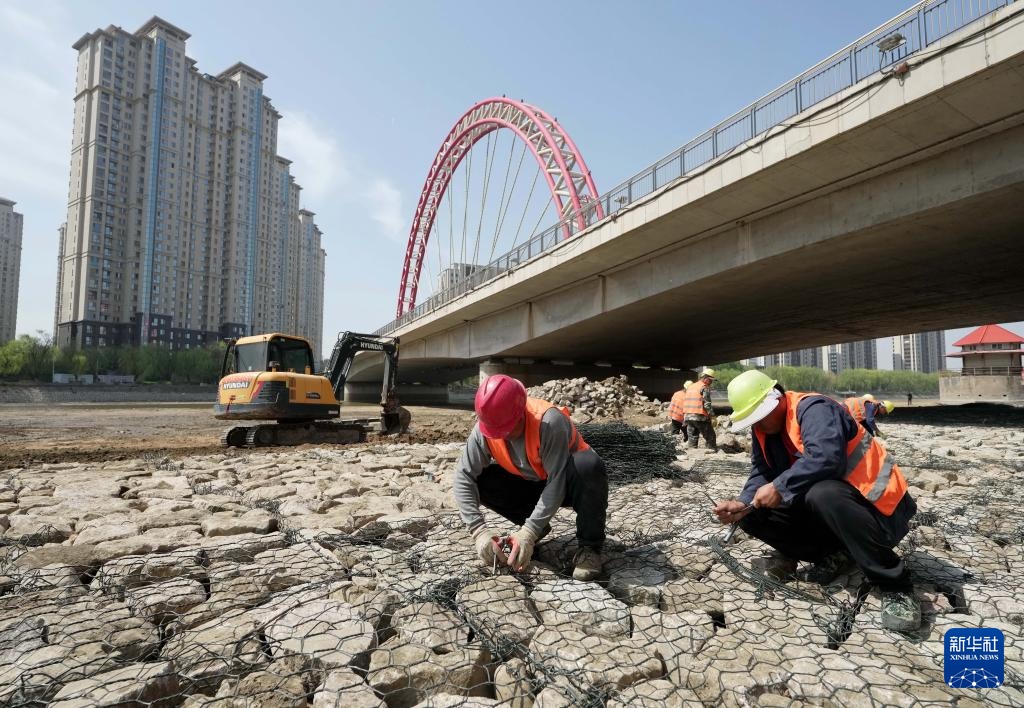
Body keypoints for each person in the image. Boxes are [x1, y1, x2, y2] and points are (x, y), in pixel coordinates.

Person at [713, 370, 920, 631]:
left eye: (760, 418)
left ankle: (895, 585)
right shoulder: (763, 429)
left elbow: (827, 458)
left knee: (822, 492)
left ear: (776, 400)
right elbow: (762, 471)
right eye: (753, 421)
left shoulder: (814, 409)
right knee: (753, 514)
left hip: (879, 511)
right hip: (836, 517)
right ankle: (835, 554)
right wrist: (743, 503)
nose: (758, 425)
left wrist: (780, 486)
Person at [453, 374, 608, 581]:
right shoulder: (486, 428)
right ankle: (538, 526)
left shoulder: (549, 422)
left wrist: (528, 532)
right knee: (481, 479)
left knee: (588, 466)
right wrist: (478, 531)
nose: (502, 435)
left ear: (521, 413)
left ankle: (589, 547)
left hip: (569, 482)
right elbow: (463, 475)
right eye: (496, 431)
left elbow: (557, 480)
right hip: (532, 483)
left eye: (507, 429)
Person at [684, 369, 717, 451]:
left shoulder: (691, 386)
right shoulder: (704, 387)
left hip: (688, 416)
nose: (711, 382)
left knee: (692, 437)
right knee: (710, 437)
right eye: (710, 380)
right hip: (699, 416)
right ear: (705, 378)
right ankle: (712, 451)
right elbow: (707, 404)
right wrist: (712, 416)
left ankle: (692, 452)